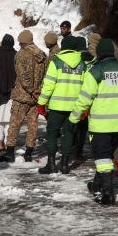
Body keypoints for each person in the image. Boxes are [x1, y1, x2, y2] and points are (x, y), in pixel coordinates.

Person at [70, 38, 118, 204]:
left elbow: (84, 99)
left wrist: (73, 119)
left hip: (101, 125)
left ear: (99, 53)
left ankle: (108, 194)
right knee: (106, 156)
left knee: (102, 158)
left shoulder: (95, 71)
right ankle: (97, 185)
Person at [35, 34, 86, 174]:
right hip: (74, 107)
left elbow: (49, 85)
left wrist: (41, 103)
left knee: (52, 133)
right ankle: (64, 165)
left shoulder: (56, 62)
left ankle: (51, 164)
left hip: (57, 106)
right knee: (69, 134)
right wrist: (85, 107)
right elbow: (85, 87)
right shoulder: (82, 63)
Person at [0, 29, 46, 163]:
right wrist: (38, 91)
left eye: (20, 42)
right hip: (36, 97)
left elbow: (22, 76)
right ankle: (29, 153)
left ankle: (10, 152)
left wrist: (31, 90)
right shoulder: (42, 55)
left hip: (22, 95)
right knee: (33, 125)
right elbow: (45, 75)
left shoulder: (21, 54)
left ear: (22, 42)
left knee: (15, 123)